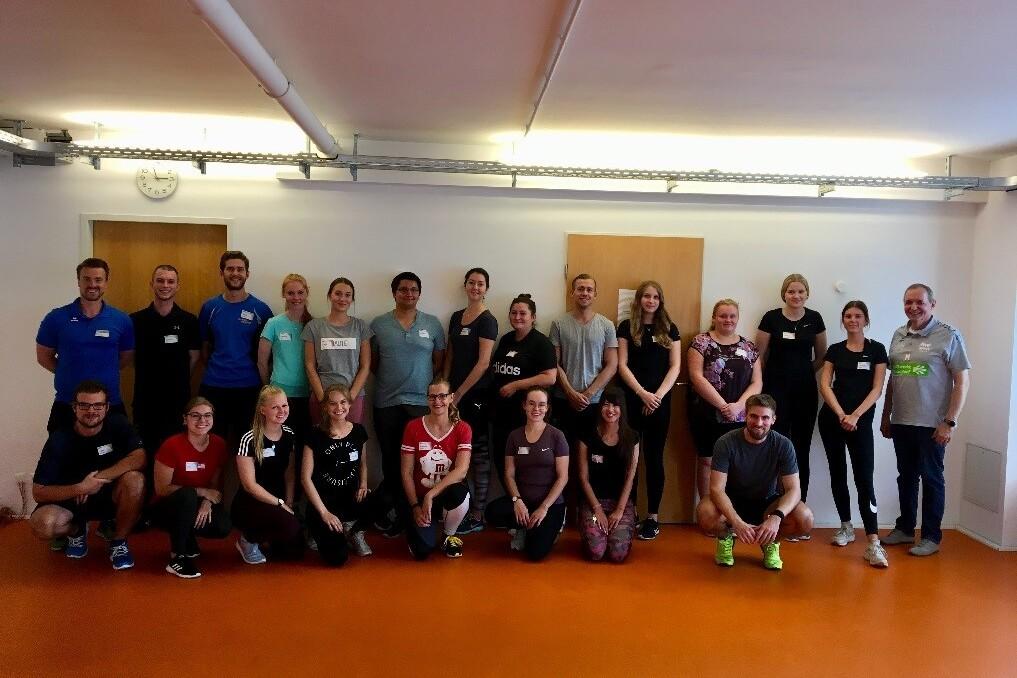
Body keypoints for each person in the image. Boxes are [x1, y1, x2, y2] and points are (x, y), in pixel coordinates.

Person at [880, 283, 970, 557]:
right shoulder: (898, 334)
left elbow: (962, 381)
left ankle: (931, 536)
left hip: (933, 424)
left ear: (933, 304)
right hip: (902, 421)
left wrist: (949, 421)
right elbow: (893, 380)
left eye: (919, 302)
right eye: (908, 302)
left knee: (932, 478)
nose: (913, 307)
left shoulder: (948, 335)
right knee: (906, 477)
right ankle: (905, 528)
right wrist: (887, 415)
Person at [29, 380, 146, 570]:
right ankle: (76, 531)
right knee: (41, 525)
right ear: (74, 408)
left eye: (98, 405)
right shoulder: (59, 439)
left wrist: (97, 479)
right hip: (72, 499)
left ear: (107, 407)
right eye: (84, 405)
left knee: (136, 480)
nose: (91, 411)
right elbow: (38, 492)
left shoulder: (118, 424)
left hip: (109, 495)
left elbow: (139, 458)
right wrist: (80, 487)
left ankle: (118, 541)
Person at [696, 394, 814, 571]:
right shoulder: (725, 443)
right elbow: (716, 489)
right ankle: (726, 538)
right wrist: (735, 522)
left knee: (805, 518)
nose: (759, 423)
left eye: (765, 417)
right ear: (745, 415)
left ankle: (771, 542)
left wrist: (777, 517)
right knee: (705, 511)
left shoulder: (784, 445)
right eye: (754, 416)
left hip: (767, 504)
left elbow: (794, 489)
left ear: (773, 419)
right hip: (732, 503)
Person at [370, 272, 446, 536]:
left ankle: (413, 516)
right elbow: (373, 364)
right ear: (394, 293)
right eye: (403, 290)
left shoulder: (433, 324)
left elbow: (439, 361)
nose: (409, 294)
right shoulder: (378, 325)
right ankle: (395, 515)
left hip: (420, 405)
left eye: (414, 290)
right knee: (391, 464)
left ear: (419, 293)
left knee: (417, 466)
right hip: (387, 403)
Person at [818, 301, 889, 567]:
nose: (852, 320)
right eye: (848, 316)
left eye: (858, 316)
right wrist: (840, 415)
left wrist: (855, 415)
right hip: (832, 420)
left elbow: (877, 388)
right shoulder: (835, 350)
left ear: (866, 320)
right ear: (843, 320)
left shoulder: (877, 350)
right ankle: (846, 526)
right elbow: (825, 385)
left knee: (864, 479)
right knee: (838, 473)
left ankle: (873, 541)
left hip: (860, 422)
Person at [755, 273, 826, 538]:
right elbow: (759, 355)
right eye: (791, 292)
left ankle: (797, 511)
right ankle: (772, 511)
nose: (796, 296)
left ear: (807, 294)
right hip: (775, 394)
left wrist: (802, 373)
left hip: (805, 393)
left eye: (800, 292)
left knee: (801, 450)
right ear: (783, 294)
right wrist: (774, 378)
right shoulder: (771, 318)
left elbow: (821, 355)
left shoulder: (814, 319)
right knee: (775, 448)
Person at [36, 258, 135, 431]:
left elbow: (125, 358)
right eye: (87, 279)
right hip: (67, 404)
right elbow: (44, 357)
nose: (92, 284)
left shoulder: (121, 320)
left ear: (106, 282)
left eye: (98, 280)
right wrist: (69, 370)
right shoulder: (56, 318)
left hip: (110, 404)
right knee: (63, 457)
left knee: (115, 455)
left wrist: (102, 370)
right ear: (78, 281)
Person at [616, 280, 681, 540]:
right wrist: (642, 393)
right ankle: (628, 513)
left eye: (655, 297)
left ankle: (652, 517)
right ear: (639, 299)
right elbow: (622, 365)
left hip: (659, 404)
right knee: (629, 459)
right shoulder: (625, 327)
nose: (650, 301)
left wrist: (657, 397)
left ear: (660, 300)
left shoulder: (670, 328)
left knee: (654, 459)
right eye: (646, 296)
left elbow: (675, 367)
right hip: (631, 401)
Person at [688, 299, 762, 502]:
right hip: (706, 412)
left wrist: (738, 407)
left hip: (739, 415)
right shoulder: (701, 342)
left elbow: (757, 382)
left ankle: (732, 512)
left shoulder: (749, 347)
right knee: (706, 461)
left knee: (735, 463)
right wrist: (722, 405)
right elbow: (696, 376)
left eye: (732, 316)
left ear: (737, 318)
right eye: (722, 315)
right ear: (714, 317)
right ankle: (707, 512)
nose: (727, 320)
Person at [198, 251, 273, 446]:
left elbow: (267, 354)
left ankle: (247, 479)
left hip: (248, 388)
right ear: (221, 272)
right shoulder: (209, 307)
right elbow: (204, 347)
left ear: (248, 274)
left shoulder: (261, 310)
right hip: (214, 387)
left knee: (247, 446)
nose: (235, 273)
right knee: (212, 445)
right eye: (230, 268)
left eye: (240, 269)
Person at [150, 397, 231, 578]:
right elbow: (161, 489)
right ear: (185, 419)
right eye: (196, 415)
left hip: (197, 502)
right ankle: (177, 557)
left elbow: (215, 486)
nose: (202, 421)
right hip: (167, 506)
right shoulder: (171, 445)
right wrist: (201, 492)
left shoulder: (219, 444)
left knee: (223, 526)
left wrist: (208, 501)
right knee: (187, 494)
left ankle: (187, 537)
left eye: (207, 415)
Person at [485, 387, 569, 562]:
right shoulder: (514, 436)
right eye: (531, 404)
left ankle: (550, 528)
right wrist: (517, 501)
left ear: (547, 408)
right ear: (524, 405)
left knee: (535, 554)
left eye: (541, 405)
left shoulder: (557, 436)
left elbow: (563, 477)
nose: (536, 409)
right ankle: (523, 528)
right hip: (523, 502)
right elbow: (509, 474)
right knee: (493, 512)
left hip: (550, 505)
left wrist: (544, 508)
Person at [443, 268, 497, 534]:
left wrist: (460, 393)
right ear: (465, 285)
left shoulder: (488, 320)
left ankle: (478, 513)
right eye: (472, 283)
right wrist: (444, 389)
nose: (475, 287)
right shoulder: (455, 317)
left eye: (481, 284)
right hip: (452, 396)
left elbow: (484, 362)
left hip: (475, 396)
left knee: (478, 453)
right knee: (456, 453)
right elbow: (450, 356)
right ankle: (457, 509)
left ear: (486, 288)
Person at [131, 264, 201, 459]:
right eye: (160, 280)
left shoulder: (189, 321)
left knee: (175, 455)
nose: (165, 285)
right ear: (151, 283)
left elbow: (194, 357)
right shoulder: (135, 321)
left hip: (177, 401)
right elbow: (129, 356)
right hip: (145, 400)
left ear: (177, 286)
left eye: (171, 281)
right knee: (145, 455)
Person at [488, 294, 557, 488]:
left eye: (523, 313)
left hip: (527, 417)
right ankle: (514, 505)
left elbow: (550, 377)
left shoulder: (541, 343)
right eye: (514, 313)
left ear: (533, 317)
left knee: (525, 465)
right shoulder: (506, 339)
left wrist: (516, 385)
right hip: (502, 415)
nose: (517, 317)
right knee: (503, 463)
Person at [400, 378, 472, 560]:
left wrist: (431, 495)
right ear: (427, 399)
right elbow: (406, 472)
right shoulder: (413, 427)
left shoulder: (463, 429)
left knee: (460, 494)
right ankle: (421, 529)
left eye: (442, 396)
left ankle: (449, 535)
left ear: (451, 398)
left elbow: (461, 470)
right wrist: (416, 505)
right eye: (432, 397)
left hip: (444, 494)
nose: (437, 401)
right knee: (422, 552)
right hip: (419, 498)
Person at [301, 384, 373, 566]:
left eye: (343, 402)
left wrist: (363, 484)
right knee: (337, 558)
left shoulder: (358, 431)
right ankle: (319, 532)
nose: (338, 408)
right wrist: (324, 513)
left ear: (350, 404)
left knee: (379, 498)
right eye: (332, 403)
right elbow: (305, 478)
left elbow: (363, 464)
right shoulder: (315, 434)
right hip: (324, 504)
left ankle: (354, 530)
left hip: (350, 500)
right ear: (325, 406)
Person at [232, 385, 303, 564]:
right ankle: (247, 539)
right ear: (263, 410)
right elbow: (250, 485)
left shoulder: (289, 435)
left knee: (294, 551)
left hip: (277, 498)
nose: (282, 411)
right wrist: (279, 504)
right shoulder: (249, 438)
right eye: (275, 407)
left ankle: (266, 537)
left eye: (284, 405)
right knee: (289, 525)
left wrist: (288, 501)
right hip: (251, 501)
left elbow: (290, 471)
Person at [550, 274, 618, 444]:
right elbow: (554, 363)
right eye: (580, 289)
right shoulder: (558, 323)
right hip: (564, 400)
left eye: (589, 289)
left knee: (591, 450)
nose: (585, 293)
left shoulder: (606, 325)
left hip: (594, 402)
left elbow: (612, 364)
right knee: (563, 450)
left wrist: (588, 394)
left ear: (595, 294)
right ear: (572, 293)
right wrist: (570, 393)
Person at [576, 388, 639, 563]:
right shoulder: (587, 436)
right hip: (593, 503)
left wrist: (619, 510)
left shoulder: (632, 437)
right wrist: (597, 508)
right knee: (596, 552)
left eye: (616, 405)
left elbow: (630, 475)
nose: (611, 410)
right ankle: (588, 530)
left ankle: (620, 532)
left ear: (622, 409)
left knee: (617, 554)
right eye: (606, 404)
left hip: (621, 503)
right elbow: (583, 477)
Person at [302, 277, 372, 423]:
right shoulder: (314, 326)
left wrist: (351, 396)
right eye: (338, 293)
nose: (342, 298)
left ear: (352, 299)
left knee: (351, 442)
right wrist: (322, 397)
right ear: (330, 295)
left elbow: (365, 366)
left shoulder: (361, 327)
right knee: (322, 442)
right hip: (323, 396)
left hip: (353, 397)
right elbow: (309, 365)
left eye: (347, 295)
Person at [258, 274, 312, 453]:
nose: (296, 297)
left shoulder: (314, 325)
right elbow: (262, 362)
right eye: (290, 293)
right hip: (280, 397)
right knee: (280, 447)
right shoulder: (273, 323)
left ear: (306, 294)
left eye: (300, 292)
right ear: (283, 294)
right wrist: (269, 389)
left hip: (307, 395)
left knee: (304, 446)